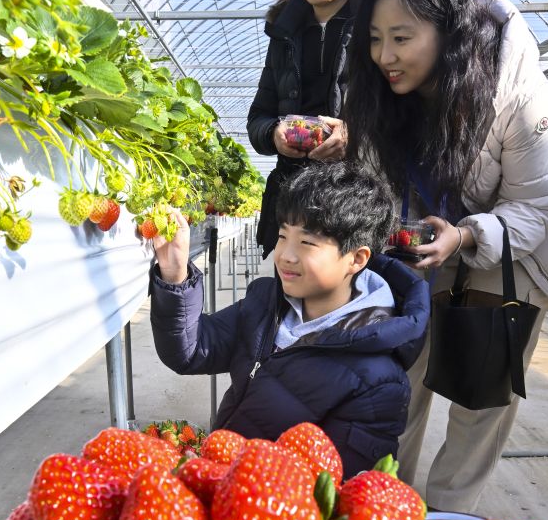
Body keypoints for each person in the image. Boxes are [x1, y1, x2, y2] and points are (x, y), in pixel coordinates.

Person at [345, 0, 548, 511]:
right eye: (375, 38)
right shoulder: (386, 94)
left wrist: (465, 235)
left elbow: (535, 208)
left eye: (401, 38)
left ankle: (448, 518)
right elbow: (378, 185)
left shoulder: (518, 93)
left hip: (512, 251)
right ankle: (384, 505)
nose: (385, 55)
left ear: (449, 32)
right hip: (426, 243)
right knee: (396, 374)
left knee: (482, 390)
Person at [149, 163, 430, 478]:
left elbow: (335, 488)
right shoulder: (264, 305)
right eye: (283, 235)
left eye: (307, 243)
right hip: (225, 474)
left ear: (356, 258)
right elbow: (188, 351)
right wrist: (175, 275)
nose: (285, 255)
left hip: (269, 500)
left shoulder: (377, 379)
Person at [247, 0, 380, 258]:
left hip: (358, 211)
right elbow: (257, 118)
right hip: (293, 213)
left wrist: (356, 137)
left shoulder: (382, 20)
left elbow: (412, 113)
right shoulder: (284, 33)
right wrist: (274, 134)